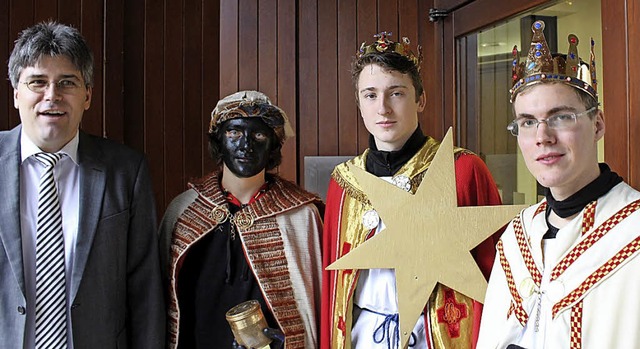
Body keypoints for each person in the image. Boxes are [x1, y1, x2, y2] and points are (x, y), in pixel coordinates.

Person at [321, 32, 503, 349]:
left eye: (396, 93)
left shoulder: (462, 170)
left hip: (437, 337)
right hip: (363, 336)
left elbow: (496, 274)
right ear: (358, 103)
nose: (383, 108)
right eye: (370, 95)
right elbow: (334, 288)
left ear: (420, 99)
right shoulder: (344, 182)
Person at [0, 21, 165, 348]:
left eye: (67, 82)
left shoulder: (125, 170)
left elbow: (145, 290)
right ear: (17, 93)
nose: (52, 96)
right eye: (37, 82)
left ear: (87, 95)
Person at [476, 20, 640, 349]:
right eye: (527, 122)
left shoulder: (633, 231)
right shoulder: (516, 239)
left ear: (597, 124)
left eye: (561, 117)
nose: (543, 137)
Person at [159, 90, 324, 349]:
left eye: (258, 135)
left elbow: (316, 307)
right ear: (219, 140)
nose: (245, 145)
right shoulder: (182, 211)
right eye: (233, 133)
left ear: (272, 144)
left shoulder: (302, 217)